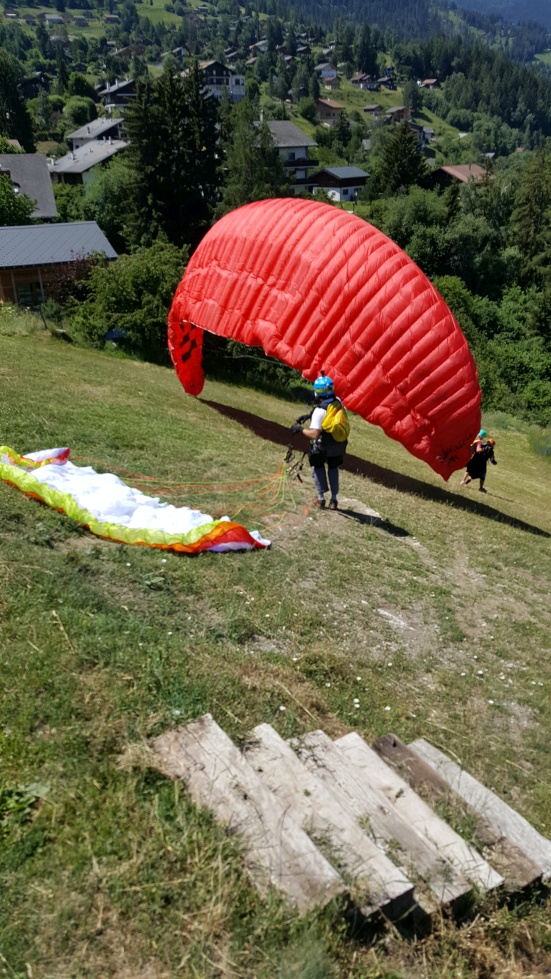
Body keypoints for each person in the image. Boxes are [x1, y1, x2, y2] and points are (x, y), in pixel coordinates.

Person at [290, 374, 348, 510]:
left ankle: (321, 499)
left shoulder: (319, 410)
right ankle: (334, 500)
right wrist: (308, 416)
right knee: (333, 468)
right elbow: (330, 415)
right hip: (339, 444)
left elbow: (314, 434)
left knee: (318, 466)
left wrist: (299, 429)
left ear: (318, 392)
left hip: (323, 445)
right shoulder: (338, 401)